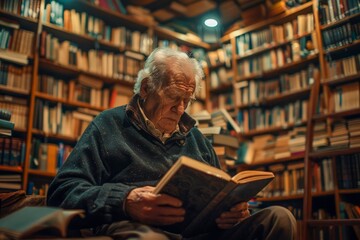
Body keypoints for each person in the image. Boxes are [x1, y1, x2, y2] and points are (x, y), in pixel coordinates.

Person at [47, 47, 296, 240]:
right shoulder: (108, 125)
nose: (180, 109)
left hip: (200, 233)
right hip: (141, 228)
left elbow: (220, 192)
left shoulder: (196, 138)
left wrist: (234, 212)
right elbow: (62, 192)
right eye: (173, 97)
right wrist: (125, 200)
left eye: (187, 101)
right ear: (146, 88)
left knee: (279, 218)